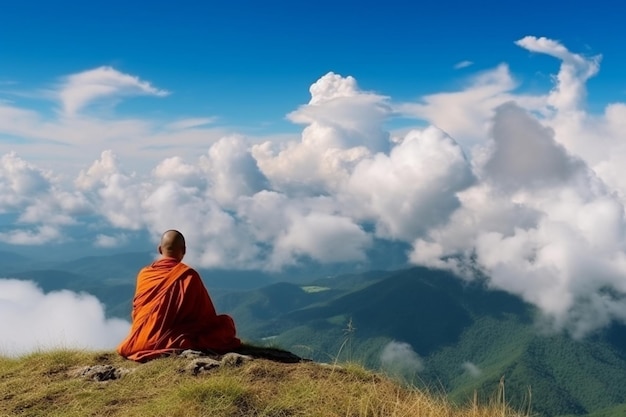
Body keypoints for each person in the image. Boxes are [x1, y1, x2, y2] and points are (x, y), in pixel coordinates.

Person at [117, 230, 241, 362]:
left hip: (138, 340)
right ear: (184, 250)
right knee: (225, 324)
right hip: (171, 339)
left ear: (160, 249)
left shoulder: (145, 274)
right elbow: (205, 316)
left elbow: (137, 310)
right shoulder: (189, 276)